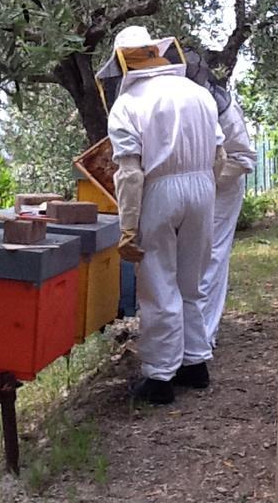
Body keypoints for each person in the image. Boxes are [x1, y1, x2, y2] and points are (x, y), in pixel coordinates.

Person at [96, 26, 225, 405]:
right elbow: (220, 157)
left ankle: (160, 377)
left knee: (157, 285)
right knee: (192, 281)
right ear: (156, 52)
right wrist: (205, 193)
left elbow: (131, 173)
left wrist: (128, 227)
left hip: (158, 191)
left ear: (122, 61)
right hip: (203, 188)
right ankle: (195, 363)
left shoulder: (128, 104)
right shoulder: (198, 93)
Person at [185, 49, 257, 348]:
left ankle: (204, 337)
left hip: (223, 189)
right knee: (187, 260)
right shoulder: (178, 102)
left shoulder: (223, 106)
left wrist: (205, 177)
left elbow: (242, 158)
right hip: (192, 187)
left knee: (211, 258)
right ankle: (186, 336)